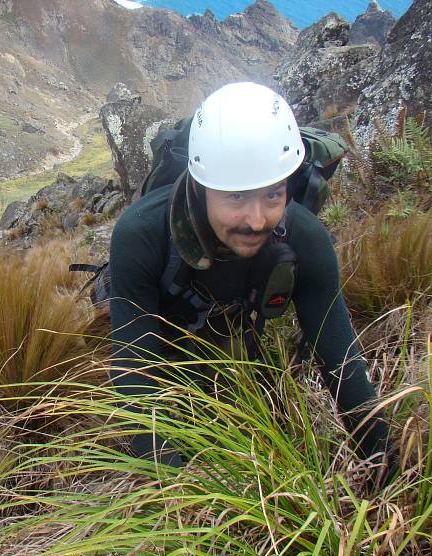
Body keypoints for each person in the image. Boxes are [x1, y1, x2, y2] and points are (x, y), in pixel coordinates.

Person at [108, 82, 391, 475]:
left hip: (242, 344)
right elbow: (133, 369)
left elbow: (341, 363)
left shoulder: (305, 238)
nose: (257, 220)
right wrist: (177, 493)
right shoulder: (141, 234)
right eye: (236, 197)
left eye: (273, 195)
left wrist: (389, 469)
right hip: (165, 346)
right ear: (200, 186)